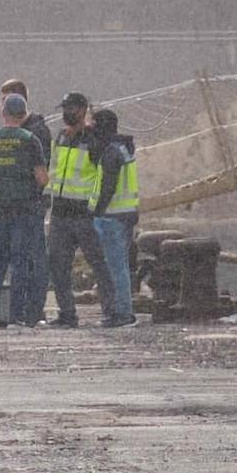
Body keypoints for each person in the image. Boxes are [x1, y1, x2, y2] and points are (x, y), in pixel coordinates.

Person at [0, 93, 50, 328]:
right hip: (24, 208)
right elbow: (42, 178)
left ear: (3, 114)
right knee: (20, 261)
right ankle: (17, 316)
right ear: (23, 114)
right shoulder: (30, 139)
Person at [45, 90, 118, 329]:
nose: (67, 113)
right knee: (58, 266)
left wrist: (95, 208)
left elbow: (105, 176)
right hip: (60, 212)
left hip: (83, 213)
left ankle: (111, 312)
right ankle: (67, 314)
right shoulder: (61, 137)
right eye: (65, 109)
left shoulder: (93, 139)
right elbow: (53, 170)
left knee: (98, 263)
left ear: (83, 110)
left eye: (72, 109)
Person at [90, 108, 142, 328]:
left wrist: (96, 211)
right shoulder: (124, 147)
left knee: (115, 267)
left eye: (94, 125)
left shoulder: (111, 152)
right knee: (120, 265)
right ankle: (121, 310)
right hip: (127, 213)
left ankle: (121, 312)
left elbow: (108, 187)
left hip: (111, 215)